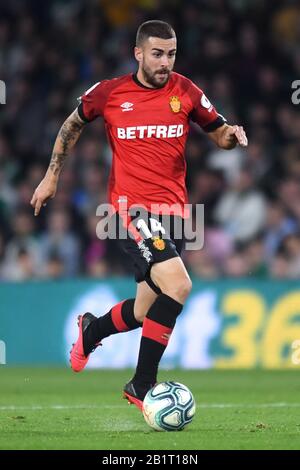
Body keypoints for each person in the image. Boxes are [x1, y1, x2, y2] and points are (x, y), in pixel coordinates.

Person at [31, 20, 248, 410]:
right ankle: (141, 384)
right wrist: (51, 178)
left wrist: (231, 137)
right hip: (129, 211)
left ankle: (91, 329)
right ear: (138, 54)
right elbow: (71, 124)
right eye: (157, 54)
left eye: (171, 54)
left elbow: (218, 132)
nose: (165, 62)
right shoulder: (110, 93)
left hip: (175, 214)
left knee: (146, 309)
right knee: (179, 287)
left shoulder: (185, 91)